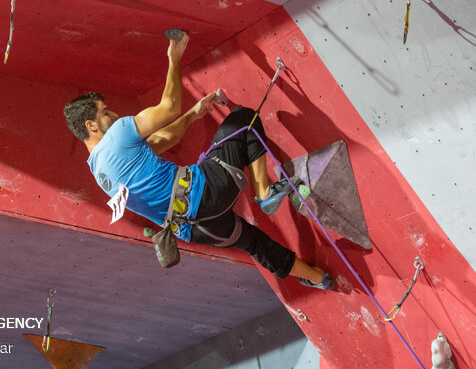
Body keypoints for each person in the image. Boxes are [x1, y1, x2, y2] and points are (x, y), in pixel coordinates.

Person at [64, 31, 333, 290]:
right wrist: (174, 58)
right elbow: (169, 107)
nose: (114, 113)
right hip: (208, 191)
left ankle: (317, 278)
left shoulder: (100, 172)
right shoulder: (118, 134)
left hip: (196, 230)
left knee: (253, 243)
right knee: (243, 119)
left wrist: (194, 114)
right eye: (106, 112)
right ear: (92, 125)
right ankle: (264, 192)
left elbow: (161, 141)